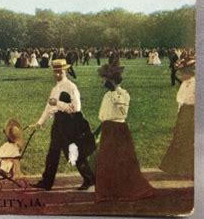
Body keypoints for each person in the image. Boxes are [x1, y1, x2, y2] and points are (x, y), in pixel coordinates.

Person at [30, 59, 95, 191]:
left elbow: (76, 108)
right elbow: (48, 107)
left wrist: (58, 103)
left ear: (65, 71)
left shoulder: (71, 87)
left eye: (60, 72)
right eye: (55, 72)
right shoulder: (54, 89)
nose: (57, 74)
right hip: (58, 122)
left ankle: (89, 178)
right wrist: (39, 123)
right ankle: (47, 182)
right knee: (52, 153)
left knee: (72, 152)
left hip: (70, 123)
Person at [95, 62, 154, 202]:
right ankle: (108, 192)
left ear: (112, 80)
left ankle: (126, 189)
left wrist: (115, 92)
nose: (103, 82)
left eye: (105, 79)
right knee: (105, 160)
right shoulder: (107, 95)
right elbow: (104, 115)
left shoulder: (123, 94)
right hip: (108, 128)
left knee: (121, 161)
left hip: (118, 130)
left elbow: (122, 112)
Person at [159, 57, 195, 179]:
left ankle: (189, 168)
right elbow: (180, 99)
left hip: (192, 113)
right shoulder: (184, 84)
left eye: (183, 73)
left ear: (189, 72)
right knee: (179, 138)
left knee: (189, 140)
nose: (181, 75)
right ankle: (177, 167)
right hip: (184, 112)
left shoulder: (195, 83)